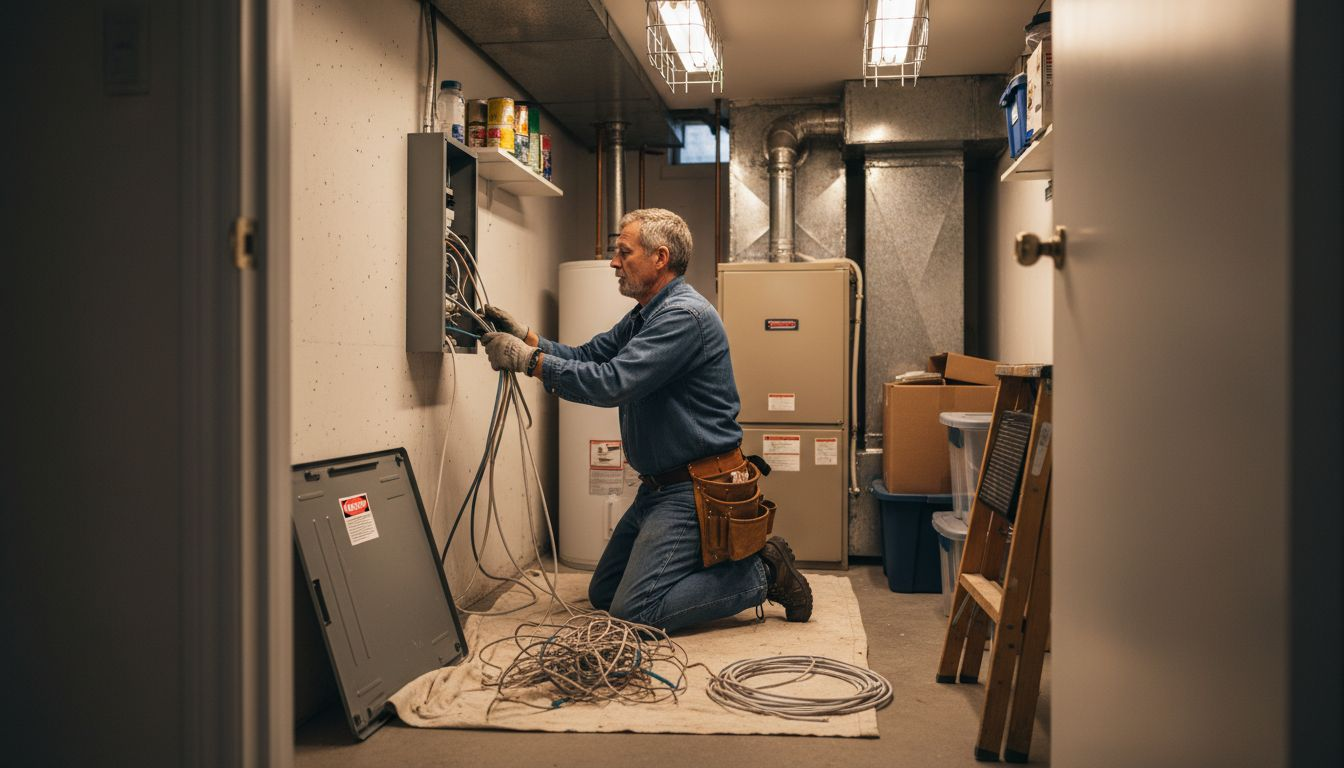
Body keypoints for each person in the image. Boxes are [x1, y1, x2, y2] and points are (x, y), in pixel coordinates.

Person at [480, 208, 812, 633]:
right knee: (605, 593)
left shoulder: (682, 318)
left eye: (623, 251)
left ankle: (762, 572)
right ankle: (724, 571)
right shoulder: (645, 314)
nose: (614, 262)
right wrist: (528, 338)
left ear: (659, 257)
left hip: (695, 491)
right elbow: (589, 356)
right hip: (660, 488)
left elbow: (611, 383)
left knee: (634, 614)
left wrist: (530, 363)